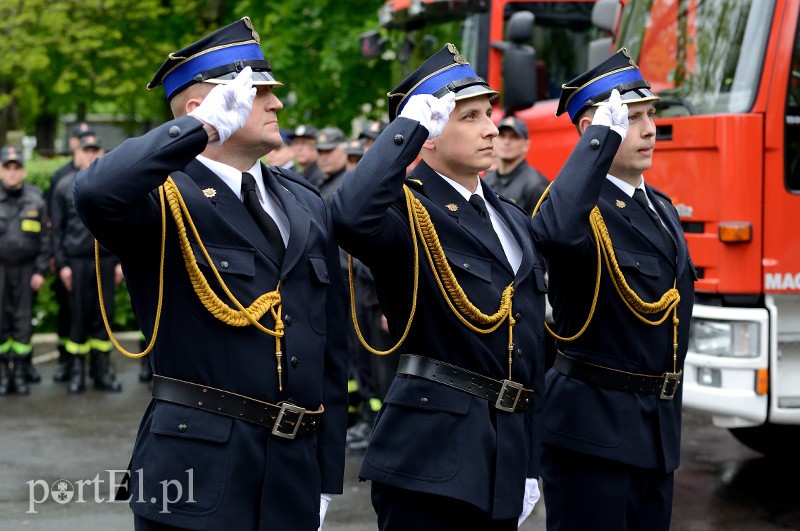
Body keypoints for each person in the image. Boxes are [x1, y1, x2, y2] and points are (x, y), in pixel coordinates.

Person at [72, 17, 348, 530]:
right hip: (194, 474)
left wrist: (326, 474)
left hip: (293, 470)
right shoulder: (161, 197)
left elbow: (329, 350)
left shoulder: (303, 200)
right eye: (257, 92)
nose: (277, 104)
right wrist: (200, 131)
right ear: (205, 109)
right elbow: (94, 193)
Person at [332, 43, 547, 530]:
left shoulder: (511, 218)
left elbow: (528, 346)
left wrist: (529, 458)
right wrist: (404, 130)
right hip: (430, 456)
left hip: (506, 448)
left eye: (488, 114)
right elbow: (348, 217)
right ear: (427, 136)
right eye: (469, 117)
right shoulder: (406, 213)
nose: (491, 128)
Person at [530, 48, 696, 531]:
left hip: (656, 431)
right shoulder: (579, 211)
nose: (649, 129)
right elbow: (554, 233)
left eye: (651, 116)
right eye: (632, 118)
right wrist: (600, 140)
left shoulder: (660, 207)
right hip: (593, 435)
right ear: (592, 131)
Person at [51, 134, 124, 394]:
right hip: (77, 262)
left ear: (103, 154)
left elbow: (121, 228)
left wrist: (120, 263)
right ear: (77, 154)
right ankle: (77, 371)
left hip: (105, 261)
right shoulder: (63, 187)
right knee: (78, 316)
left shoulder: (114, 186)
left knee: (105, 317)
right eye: (86, 151)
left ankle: (102, 370)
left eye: (96, 150)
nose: (91, 155)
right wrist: (62, 265)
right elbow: (56, 232)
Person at [0, 146, 49, 395]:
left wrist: (40, 270)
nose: (12, 173)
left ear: (23, 171)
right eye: (7, 168)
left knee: (22, 324)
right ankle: (2, 373)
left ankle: (19, 372)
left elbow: (45, 239)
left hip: (26, 270)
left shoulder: (36, 199)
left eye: (16, 168)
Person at [48, 122, 95, 384]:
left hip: (99, 260)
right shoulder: (61, 179)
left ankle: (95, 368)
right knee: (69, 314)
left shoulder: (103, 176)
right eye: (82, 144)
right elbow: (55, 223)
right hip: (71, 259)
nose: (87, 152)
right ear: (74, 146)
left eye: (92, 146)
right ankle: (66, 364)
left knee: (98, 315)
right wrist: (58, 259)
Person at [482, 115, 548, 216]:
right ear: (494, 141)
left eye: (514, 137)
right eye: (502, 136)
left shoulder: (535, 185)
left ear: (526, 145)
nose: (506, 142)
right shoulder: (486, 181)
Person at [316, 127, 349, 203]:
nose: (323, 157)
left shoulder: (347, 185)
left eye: (328, 151)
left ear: (344, 151)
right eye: (320, 152)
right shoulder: (323, 181)